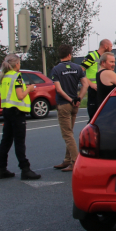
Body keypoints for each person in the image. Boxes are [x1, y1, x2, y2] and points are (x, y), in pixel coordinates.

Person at [0, 54, 41, 180]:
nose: (20, 65)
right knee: (19, 142)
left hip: (6, 111)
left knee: (6, 140)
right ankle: (25, 169)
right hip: (17, 112)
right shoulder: (17, 76)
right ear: (16, 64)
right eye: (19, 63)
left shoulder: (2, 77)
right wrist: (29, 89)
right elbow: (20, 95)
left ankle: (2, 169)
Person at [50, 44, 89, 172]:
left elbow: (59, 89)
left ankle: (75, 161)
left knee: (67, 134)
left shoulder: (56, 69)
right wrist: (78, 98)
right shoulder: (78, 68)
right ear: (70, 55)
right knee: (70, 132)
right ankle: (67, 160)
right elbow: (85, 84)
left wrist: (69, 99)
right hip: (75, 105)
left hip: (64, 104)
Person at [81, 39, 113, 120]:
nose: (111, 48)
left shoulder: (106, 58)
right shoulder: (91, 56)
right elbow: (80, 71)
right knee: (94, 116)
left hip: (104, 88)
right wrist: (90, 84)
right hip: (94, 90)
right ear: (105, 46)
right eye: (111, 46)